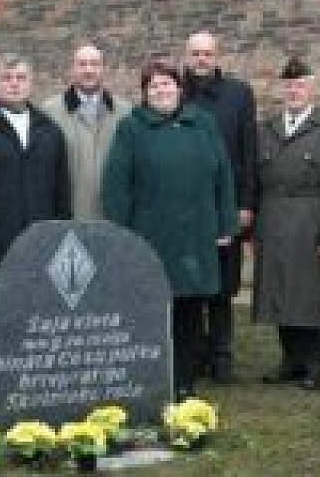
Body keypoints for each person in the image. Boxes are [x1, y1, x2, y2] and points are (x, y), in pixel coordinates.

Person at [102, 57, 239, 398]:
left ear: (179, 88)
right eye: (154, 86)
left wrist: (226, 223)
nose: (162, 90)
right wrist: (124, 234)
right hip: (151, 236)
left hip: (197, 234)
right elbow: (116, 186)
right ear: (146, 93)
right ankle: (149, 377)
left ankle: (184, 380)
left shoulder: (203, 123)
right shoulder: (131, 128)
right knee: (153, 308)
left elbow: (223, 176)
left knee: (190, 309)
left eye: (167, 84)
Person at [252, 57, 320, 390]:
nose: (294, 90)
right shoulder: (267, 129)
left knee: (312, 295)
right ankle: (290, 359)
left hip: (312, 221)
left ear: (313, 90)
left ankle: (315, 364)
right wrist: (253, 227)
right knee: (279, 291)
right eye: (289, 85)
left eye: (301, 85)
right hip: (274, 218)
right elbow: (256, 181)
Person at [0, 54, 71, 295]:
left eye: (20, 78)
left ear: (30, 83)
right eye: (6, 78)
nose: (14, 83)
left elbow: (62, 189)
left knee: (39, 316)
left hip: (43, 243)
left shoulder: (50, 130)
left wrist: (62, 234)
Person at [182, 32, 257, 382]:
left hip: (225, 205)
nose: (201, 60)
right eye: (196, 53)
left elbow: (248, 153)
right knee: (191, 279)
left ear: (217, 56)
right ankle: (193, 352)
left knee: (223, 285)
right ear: (187, 56)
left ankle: (222, 354)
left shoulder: (239, 95)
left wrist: (246, 203)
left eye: (207, 54)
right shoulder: (172, 91)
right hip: (186, 207)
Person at [43, 44, 131, 220]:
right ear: (72, 69)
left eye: (94, 64)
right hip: (69, 219)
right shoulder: (50, 112)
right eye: (82, 64)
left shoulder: (125, 112)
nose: (88, 70)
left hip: (113, 220)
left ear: (104, 69)